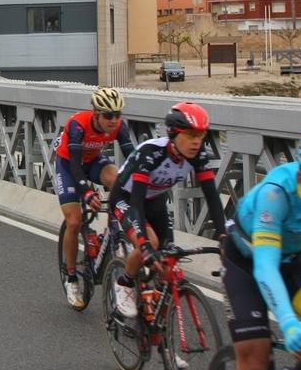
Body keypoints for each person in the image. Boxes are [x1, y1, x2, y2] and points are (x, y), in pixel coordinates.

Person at [221, 129, 301, 370]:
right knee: (254, 368)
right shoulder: (276, 194)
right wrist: (288, 323)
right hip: (246, 265)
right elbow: (265, 266)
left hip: (293, 259)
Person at [110, 102, 227, 319]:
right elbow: (136, 202)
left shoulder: (198, 155)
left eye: (201, 135)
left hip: (155, 200)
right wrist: (144, 243)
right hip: (126, 198)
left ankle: (154, 307)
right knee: (151, 244)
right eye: (190, 134)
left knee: (168, 259)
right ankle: (125, 282)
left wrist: (223, 236)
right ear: (173, 133)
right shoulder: (151, 153)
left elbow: (212, 197)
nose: (197, 141)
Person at [54, 87, 136, 309]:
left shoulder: (118, 126)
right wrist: (87, 192)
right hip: (69, 166)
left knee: (119, 180)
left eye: (117, 114)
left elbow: (133, 158)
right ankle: (71, 277)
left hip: (92, 162)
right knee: (74, 222)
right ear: (96, 113)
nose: (113, 120)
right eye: (108, 115)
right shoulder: (78, 125)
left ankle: (113, 229)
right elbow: (74, 165)